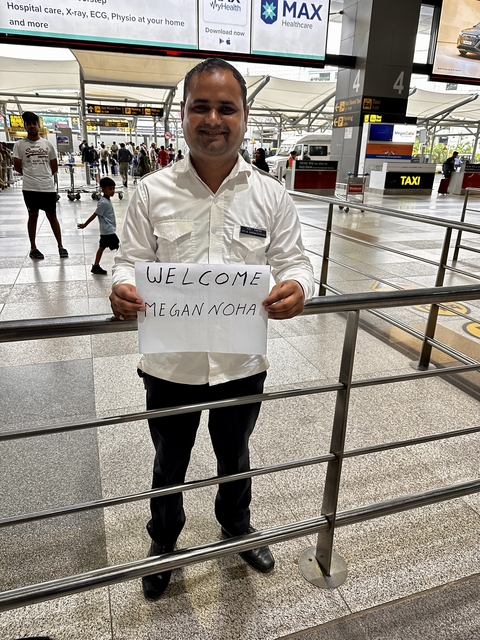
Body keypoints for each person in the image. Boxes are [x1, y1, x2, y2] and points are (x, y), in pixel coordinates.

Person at [109, 58, 314, 601]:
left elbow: (295, 261)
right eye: (201, 106)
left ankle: (236, 525)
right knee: (168, 459)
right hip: (168, 363)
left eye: (227, 107)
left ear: (245, 117)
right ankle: (163, 542)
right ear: (184, 114)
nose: (213, 118)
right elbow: (128, 260)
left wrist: (298, 287)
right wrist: (123, 285)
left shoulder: (271, 195)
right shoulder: (151, 192)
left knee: (235, 452)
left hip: (240, 364)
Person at [13, 111, 68, 260]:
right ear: (25, 126)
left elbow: (54, 167)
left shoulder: (47, 144)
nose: (31, 126)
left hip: (47, 187)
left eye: (34, 123)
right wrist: (31, 175)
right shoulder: (19, 145)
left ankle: (60, 246)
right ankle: (33, 247)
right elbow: (17, 166)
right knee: (33, 216)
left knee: (52, 216)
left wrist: (43, 176)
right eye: (28, 124)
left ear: (38, 126)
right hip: (30, 187)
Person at [77, 177, 119, 275]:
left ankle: (96, 266)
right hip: (108, 231)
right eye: (110, 189)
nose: (112, 191)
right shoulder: (104, 203)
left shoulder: (106, 200)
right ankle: (122, 266)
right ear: (103, 189)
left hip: (106, 230)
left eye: (113, 188)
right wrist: (85, 225)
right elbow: (95, 214)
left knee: (102, 248)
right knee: (119, 248)